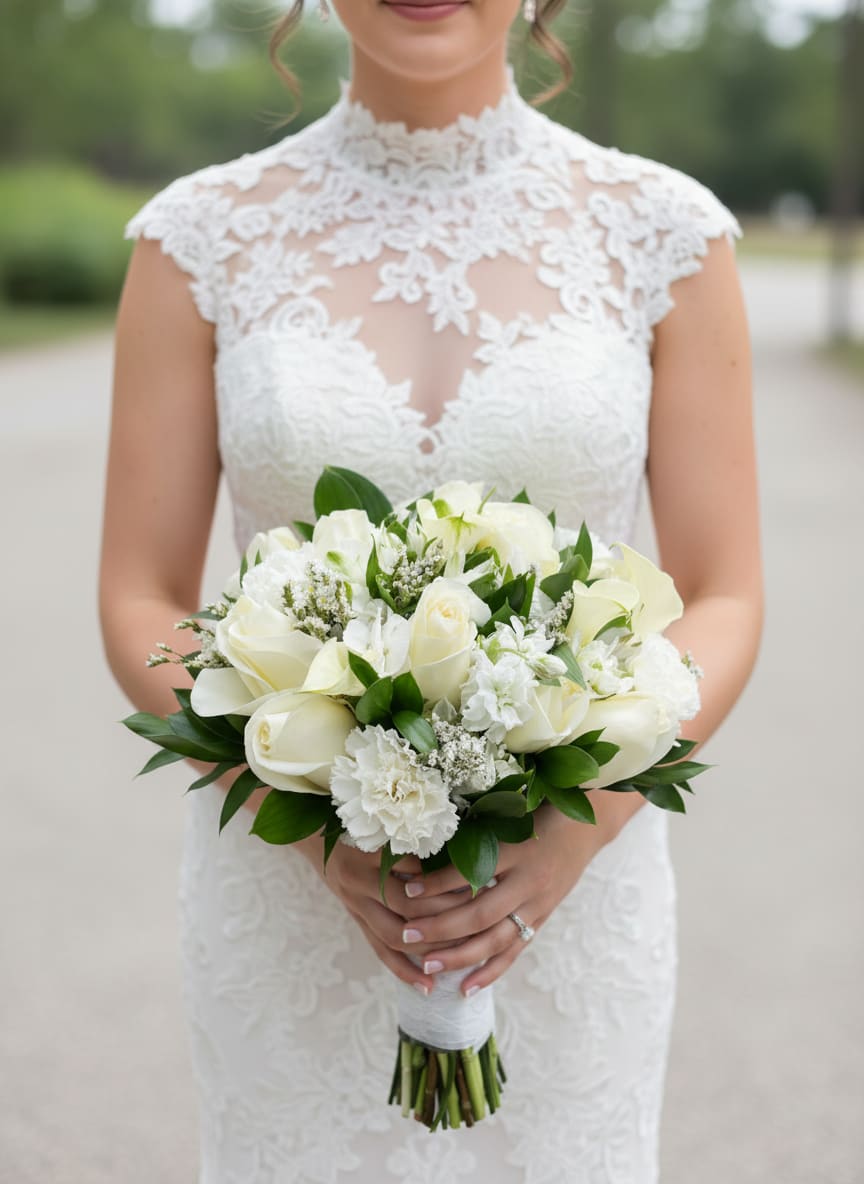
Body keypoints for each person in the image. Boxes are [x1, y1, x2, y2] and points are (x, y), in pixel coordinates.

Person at [99, 1, 763, 1180]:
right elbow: (142, 594)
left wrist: (581, 823)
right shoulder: (197, 240)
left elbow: (723, 592)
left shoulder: (665, 234)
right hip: (288, 893)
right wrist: (302, 822)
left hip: (572, 897)